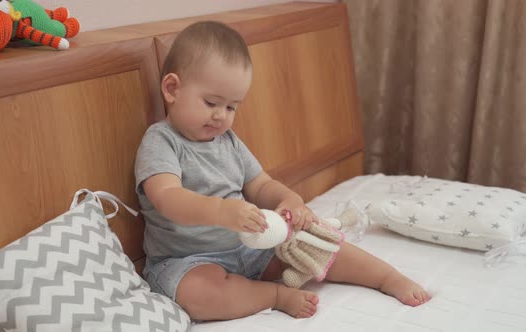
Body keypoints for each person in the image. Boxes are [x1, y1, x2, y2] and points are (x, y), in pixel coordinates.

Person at [135, 21, 430, 321]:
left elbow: (261, 185)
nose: (221, 116)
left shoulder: (228, 142)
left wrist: (289, 200)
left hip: (248, 248)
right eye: (212, 102)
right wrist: (223, 211)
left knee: (316, 244)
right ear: (172, 89)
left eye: (232, 107)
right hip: (188, 261)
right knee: (201, 295)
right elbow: (167, 198)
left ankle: (387, 278)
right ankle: (274, 295)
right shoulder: (161, 141)